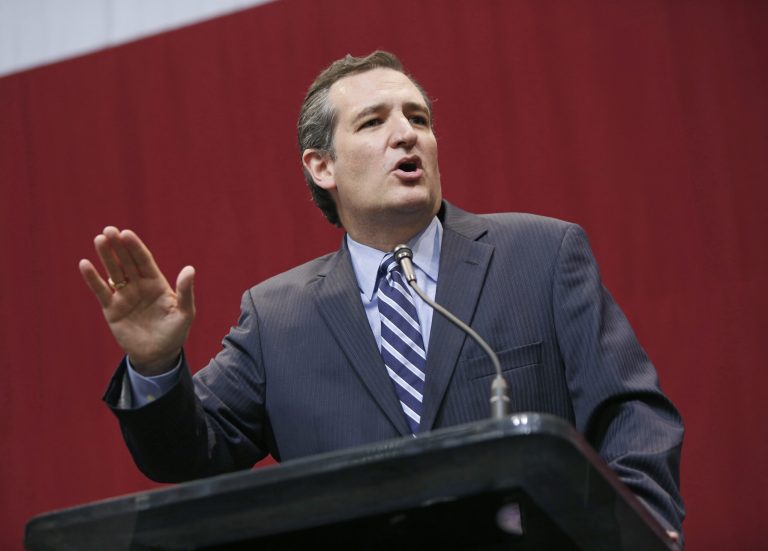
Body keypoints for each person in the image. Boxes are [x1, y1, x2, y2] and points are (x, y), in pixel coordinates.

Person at [79, 51, 684, 539]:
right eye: (374, 122)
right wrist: (155, 364)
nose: (407, 135)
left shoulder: (541, 255)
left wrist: (634, 532)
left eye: (418, 119)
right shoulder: (277, 318)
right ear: (322, 167)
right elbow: (190, 456)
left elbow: (631, 412)